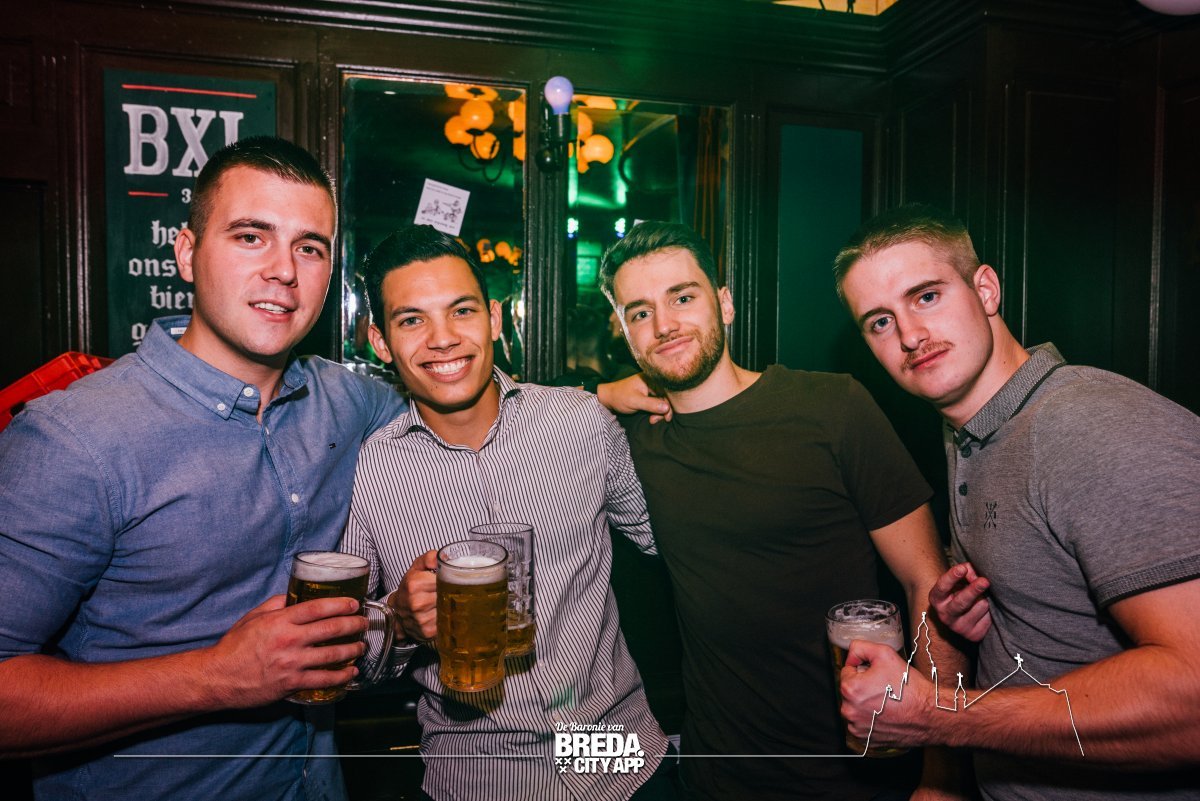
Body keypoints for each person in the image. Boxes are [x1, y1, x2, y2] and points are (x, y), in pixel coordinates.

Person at [0, 136, 410, 799]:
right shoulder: (74, 439)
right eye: (251, 237)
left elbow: (456, 411)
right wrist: (218, 676)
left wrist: (589, 403)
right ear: (187, 254)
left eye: (310, 248)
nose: (284, 270)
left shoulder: (350, 402)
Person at [832, 204, 1200, 800]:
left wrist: (939, 717)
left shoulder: (1093, 427)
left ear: (985, 289)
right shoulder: (972, 431)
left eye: (926, 296)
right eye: (879, 321)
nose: (910, 336)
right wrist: (967, 624)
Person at [598, 221, 966, 801]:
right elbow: (514, 408)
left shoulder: (831, 407)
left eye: (683, 298)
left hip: (854, 777)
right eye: (639, 312)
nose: (664, 324)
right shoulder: (630, 440)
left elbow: (928, 583)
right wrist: (600, 392)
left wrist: (942, 776)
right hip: (713, 778)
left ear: (724, 304)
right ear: (623, 330)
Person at [341, 224, 676, 801]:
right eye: (412, 320)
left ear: (494, 318)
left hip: (623, 762)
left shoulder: (581, 423)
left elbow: (671, 543)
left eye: (462, 311)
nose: (443, 339)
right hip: (480, 777)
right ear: (380, 341)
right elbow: (348, 652)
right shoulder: (369, 473)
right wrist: (398, 621)